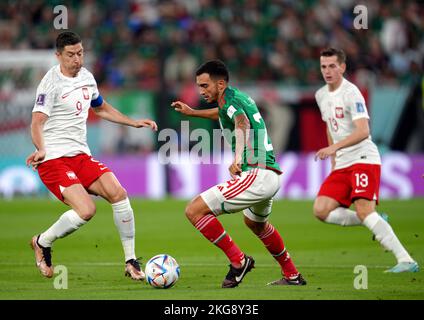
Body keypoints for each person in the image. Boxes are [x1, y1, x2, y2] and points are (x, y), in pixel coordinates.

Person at [27, 31, 158, 280]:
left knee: (118, 194)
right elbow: (36, 123)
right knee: (86, 210)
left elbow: (101, 108)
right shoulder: (50, 83)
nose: (77, 59)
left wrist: (133, 122)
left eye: (80, 53)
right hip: (53, 158)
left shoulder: (87, 77)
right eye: (70, 55)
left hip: (80, 155)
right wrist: (41, 148)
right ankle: (42, 242)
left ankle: (131, 262)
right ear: (58, 56)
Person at [171, 60, 306, 288]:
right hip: (270, 174)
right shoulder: (233, 98)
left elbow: (241, 124)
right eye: (199, 86)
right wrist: (193, 112)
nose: (201, 91)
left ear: (220, 84)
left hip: (256, 173)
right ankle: (292, 275)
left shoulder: (231, 101)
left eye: (205, 86)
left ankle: (238, 261)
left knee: (194, 210)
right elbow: (224, 114)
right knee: (256, 224)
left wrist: (238, 157)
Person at [313, 47, 419, 273]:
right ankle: (374, 220)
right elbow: (330, 126)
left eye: (332, 66)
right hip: (342, 162)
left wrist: (334, 147)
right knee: (321, 210)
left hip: (363, 158)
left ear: (342, 67)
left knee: (363, 209)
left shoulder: (352, 93)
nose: (328, 71)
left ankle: (406, 260)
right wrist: (334, 157)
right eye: (324, 66)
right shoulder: (321, 95)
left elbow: (363, 130)